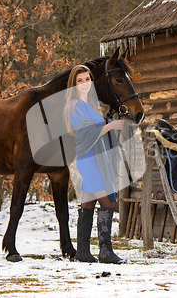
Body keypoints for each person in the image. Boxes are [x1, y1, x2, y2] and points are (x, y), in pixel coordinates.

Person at [64, 64, 125, 264]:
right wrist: (110, 126)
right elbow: (84, 133)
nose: (84, 84)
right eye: (79, 81)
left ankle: (83, 251)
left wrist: (107, 117)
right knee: (108, 201)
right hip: (89, 159)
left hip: (96, 157)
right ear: (73, 84)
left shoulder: (90, 104)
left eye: (87, 79)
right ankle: (106, 252)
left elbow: (96, 125)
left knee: (88, 202)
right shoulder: (74, 105)